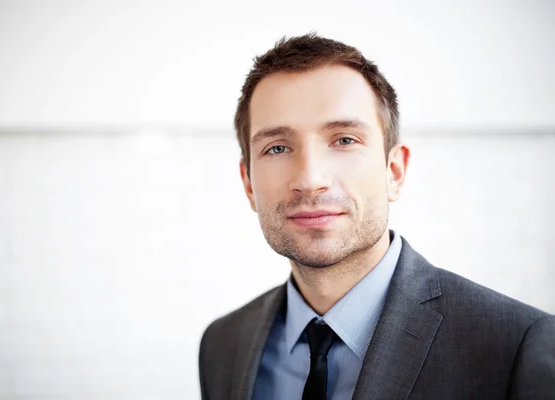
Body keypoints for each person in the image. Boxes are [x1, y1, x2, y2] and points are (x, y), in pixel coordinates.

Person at [198, 33, 555, 400]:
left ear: (394, 171)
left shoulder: (516, 346)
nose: (310, 179)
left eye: (344, 140)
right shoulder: (222, 345)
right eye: (277, 147)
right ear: (249, 184)